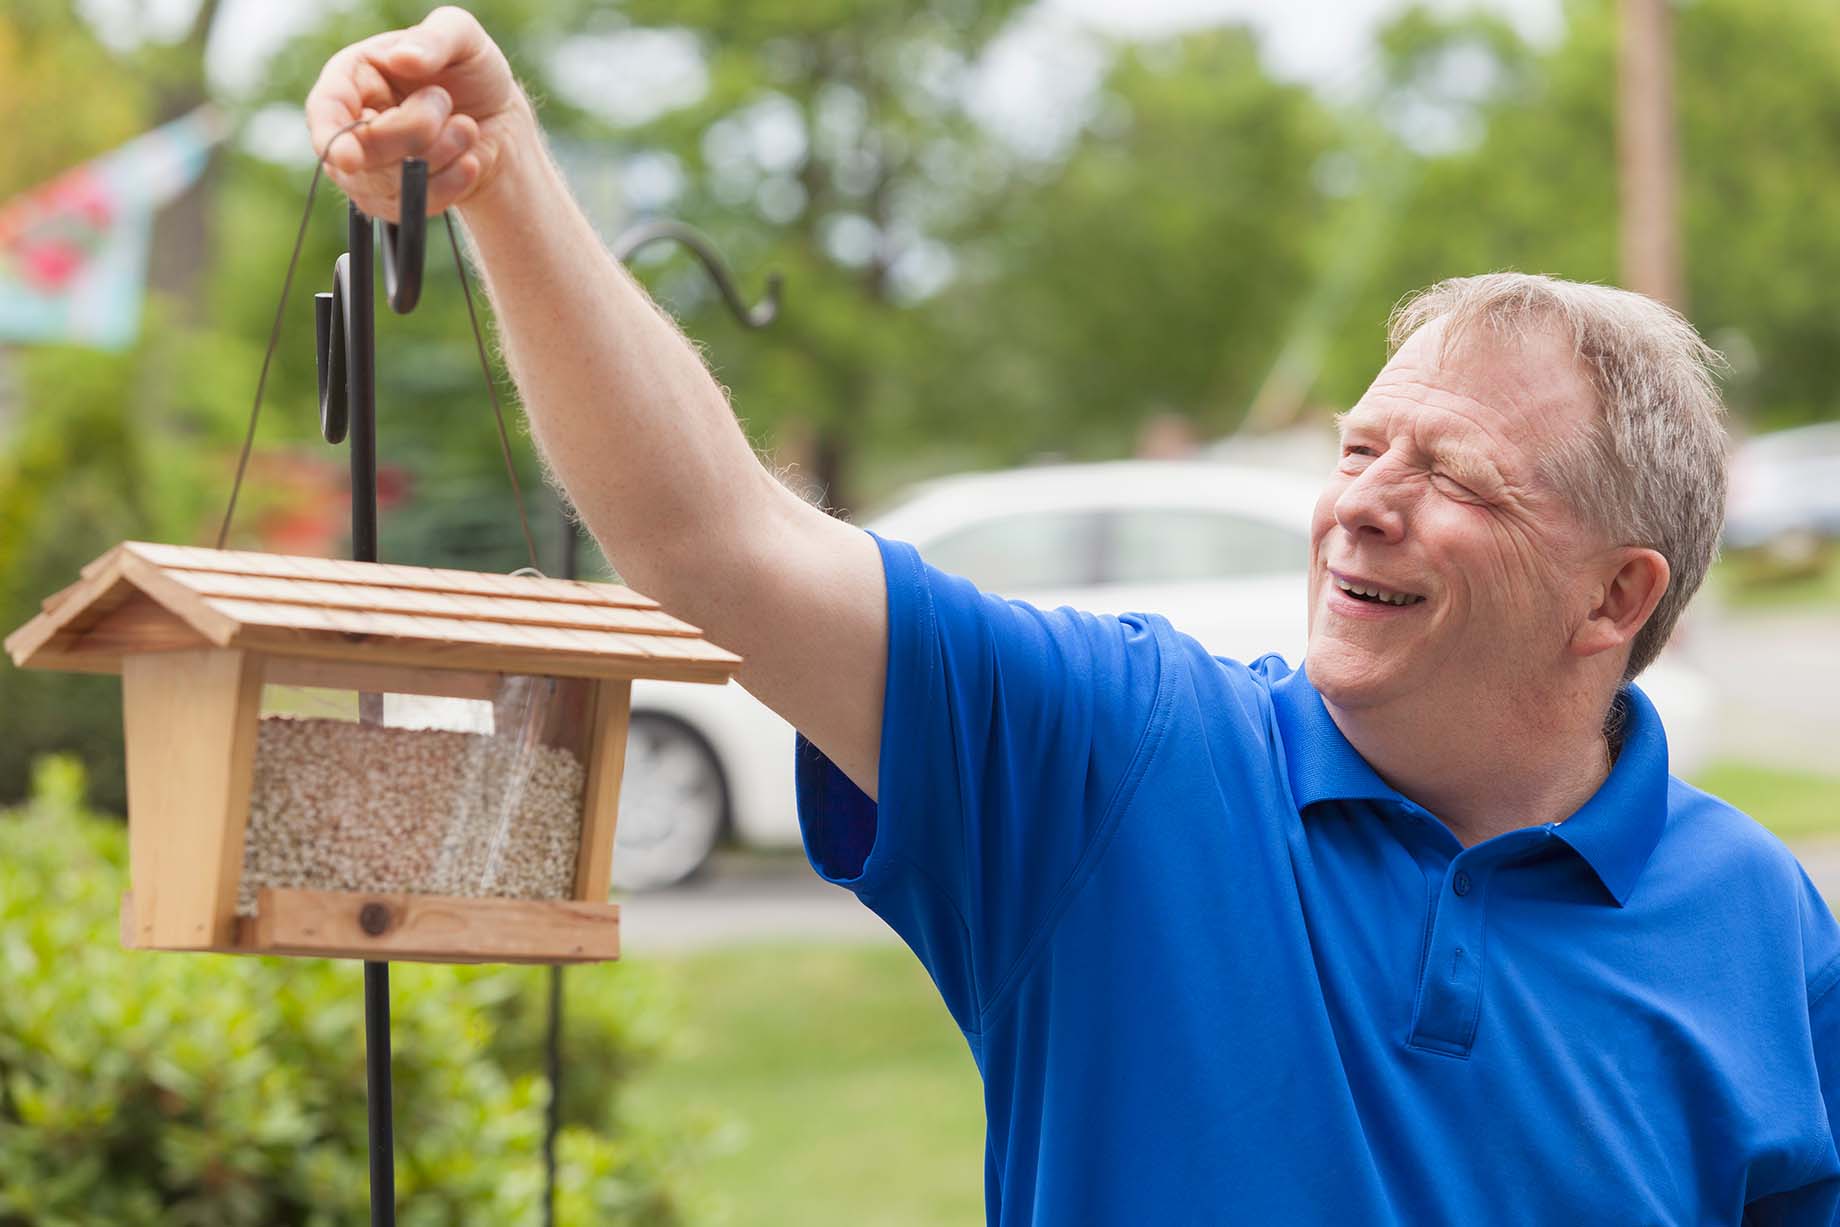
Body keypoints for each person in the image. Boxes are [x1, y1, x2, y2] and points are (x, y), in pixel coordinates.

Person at [307, 10, 1840, 1223]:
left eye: (1454, 475)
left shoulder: (1761, 926)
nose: (1361, 504)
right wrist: (503, 184)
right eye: (1359, 448)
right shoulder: (1124, 757)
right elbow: (718, 541)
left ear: (1615, 598)